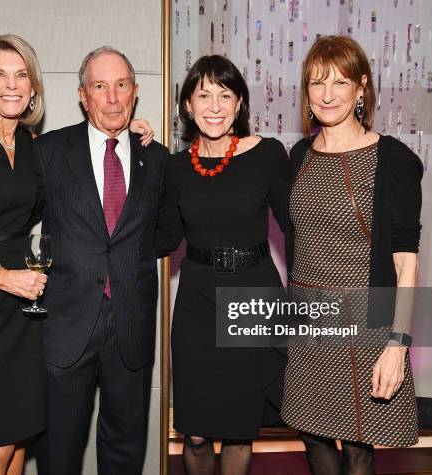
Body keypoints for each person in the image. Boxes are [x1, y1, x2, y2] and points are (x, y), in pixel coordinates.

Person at [0, 35, 153, 475]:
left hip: (23, 308)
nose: (11, 84)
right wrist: (1, 278)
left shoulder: (28, 146)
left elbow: (86, 183)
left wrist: (129, 133)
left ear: (33, 87)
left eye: (21, 74)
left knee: (20, 434)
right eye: (0, 74)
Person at [281, 35, 422, 475]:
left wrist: (397, 345)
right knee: (313, 437)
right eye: (316, 83)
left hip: (366, 323)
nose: (326, 95)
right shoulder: (299, 155)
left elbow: (406, 262)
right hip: (308, 322)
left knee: (360, 449)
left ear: (362, 88)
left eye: (339, 83)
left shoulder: (393, 160)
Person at [32, 46, 168, 475]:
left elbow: (168, 232)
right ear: (82, 95)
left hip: (131, 323)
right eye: (100, 86)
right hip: (65, 326)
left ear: (135, 91)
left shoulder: (157, 158)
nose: (112, 97)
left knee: (125, 450)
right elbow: (10, 214)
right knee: (59, 451)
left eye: (121, 85)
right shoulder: (49, 152)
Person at [156, 55, 289, 475]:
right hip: (196, 299)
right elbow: (165, 237)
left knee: (236, 428)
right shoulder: (176, 167)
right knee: (194, 431)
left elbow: (298, 225)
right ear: (188, 107)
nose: (214, 106)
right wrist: (134, 155)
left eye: (225, 95)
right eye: (204, 95)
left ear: (239, 104)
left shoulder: (267, 154)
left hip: (251, 294)